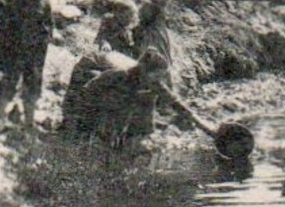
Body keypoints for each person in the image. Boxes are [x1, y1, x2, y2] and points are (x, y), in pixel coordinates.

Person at [62, 47, 195, 149]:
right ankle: (74, 131)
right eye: (157, 76)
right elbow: (90, 88)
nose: (160, 80)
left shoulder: (152, 80)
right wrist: (87, 114)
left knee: (136, 99)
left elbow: (172, 99)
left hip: (107, 82)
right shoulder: (121, 73)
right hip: (89, 66)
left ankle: (122, 139)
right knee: (85, 122)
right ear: (145, 70)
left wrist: (192, 117)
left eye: (161, 76)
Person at [0, 0, 53, 128]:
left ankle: (29, 121)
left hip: (35, 55)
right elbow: (4, 30)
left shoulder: (44, 5)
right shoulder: (14, 3)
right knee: (9, 83)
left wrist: (46, 38)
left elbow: (49, 25)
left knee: (33, 87)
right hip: (15, 53)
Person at [133, 0, 175, 85]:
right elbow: (141, 24)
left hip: (160, 36)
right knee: (153, 62)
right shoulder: (148, 8)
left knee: (163, 60)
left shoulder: (159, 9)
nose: (164, 1)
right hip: (150, 38)